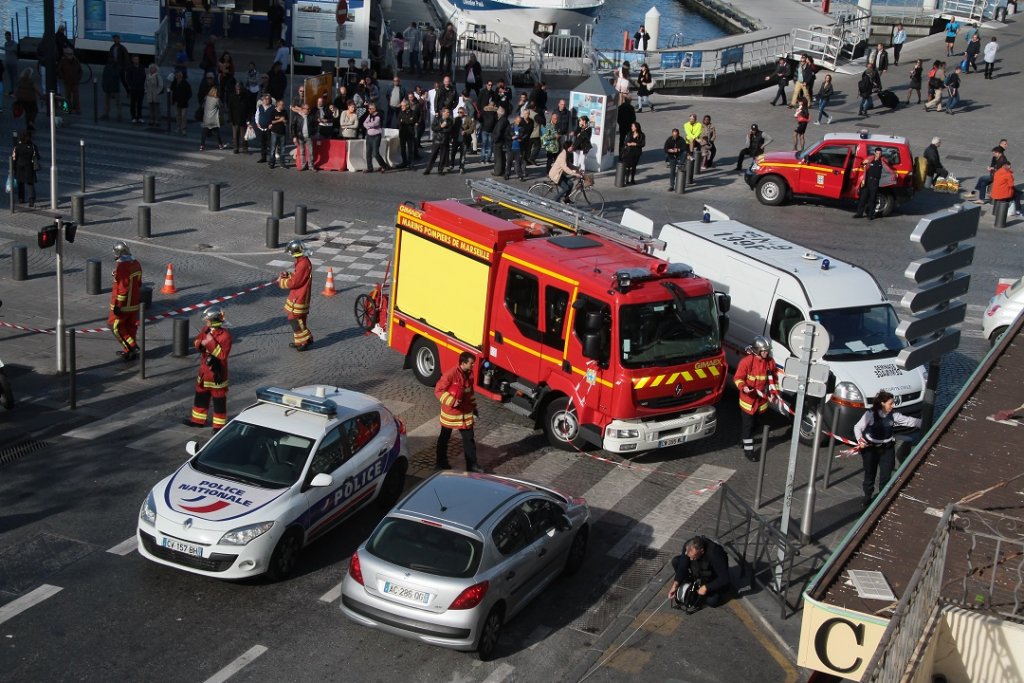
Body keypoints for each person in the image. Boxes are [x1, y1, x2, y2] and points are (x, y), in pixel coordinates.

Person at [854, 391, 922, 509]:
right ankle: (867, 497)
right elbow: (858, 427)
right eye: (890, 403)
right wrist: (860, 441)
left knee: (886, 475)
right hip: (871, 449)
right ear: (882, 403)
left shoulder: (894, 415)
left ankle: (882, 498)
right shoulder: (870, 414)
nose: (893, 406)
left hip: (887, 449)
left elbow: (910, 421)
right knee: (870, 474)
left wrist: (926, 423)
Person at [183, 307, 232, 432]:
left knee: (219, 400)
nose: (206, 323)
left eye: (208, 320)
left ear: (214, 320)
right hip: (204, 370)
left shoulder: (225, 335)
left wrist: (208, 341)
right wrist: (200, 343)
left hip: (217, 373)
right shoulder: (206, 329)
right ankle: (197, 421)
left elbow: (222, 355)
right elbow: (198, 341)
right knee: (200, 396)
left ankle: (218, 426)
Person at [435, 351, 482, 472]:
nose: (473, 366)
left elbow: (470, 393)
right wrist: (451, 401)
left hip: (464, 413)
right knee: (444, 438)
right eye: (471, 363)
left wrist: (474, 407)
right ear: (463, 363)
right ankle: (440, 463)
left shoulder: (470, 374)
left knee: (469, 438)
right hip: (451, 413)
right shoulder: (450, 374)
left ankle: (472, 465)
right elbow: (439, 390)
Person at [734, 336, 776, 462]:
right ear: (756, 350)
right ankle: (749, 451)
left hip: (761, 402)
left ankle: (743, 440)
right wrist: (744, 387)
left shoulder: (770, 362)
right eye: (763, 351)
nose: (766, 353)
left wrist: (774, 392)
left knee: (756, 425)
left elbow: (773, 380)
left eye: (767, 350)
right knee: (748, 426)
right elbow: (738, 378)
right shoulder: (746, 362)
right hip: (748, 401)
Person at [667, 536, 731, 611]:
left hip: (711, 578)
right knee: (676, 561)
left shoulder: (715, 554)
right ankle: (689, 583)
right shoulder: (688, 546)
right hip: (698, 571)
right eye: (689, 556)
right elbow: (682, 566)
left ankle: (703, 591)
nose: (691, 559)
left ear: (702, 551)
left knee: (712, 601)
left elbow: (725, 578)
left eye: (693, 557)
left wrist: (706, 587)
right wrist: (675, 585)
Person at [108, 241, 142, 361]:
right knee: (130, 326)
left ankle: (132, 347)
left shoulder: (122, 266)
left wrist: (118, 305)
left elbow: (122, 289)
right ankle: (128, 351)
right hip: (134, 303)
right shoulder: (136, 263)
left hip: (123, 305)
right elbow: (138, 282)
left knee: (115, 326)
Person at [278, 240, 313, 351]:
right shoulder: (302, 261)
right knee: (300, 318)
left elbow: (295, 282)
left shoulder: (302, 264)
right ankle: (300, 341)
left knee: (294, 318)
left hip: (299, 296)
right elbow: (298, 277)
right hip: (300, 295)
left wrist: (282, 281)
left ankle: (305, 340)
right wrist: (288, 274)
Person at [853, 147, 889, 220]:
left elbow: (887, 163)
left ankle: (870, 215)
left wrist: (882, 159)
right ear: (875, 153)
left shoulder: (882, 162)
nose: (878, 155)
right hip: (867, 181)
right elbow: (862, 165)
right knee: (863, 198)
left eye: (880, 153)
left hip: (875, 182)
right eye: (877, 153)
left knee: (872, 199)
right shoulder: (870, 160)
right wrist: (864, 162)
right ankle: (859, 213)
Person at [11, 131, 40, 208]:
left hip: (19, 167)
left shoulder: (17, 147)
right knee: (30, 184)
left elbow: (14, 158)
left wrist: (13, 168)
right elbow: (37, 157)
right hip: (29, 167)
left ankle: (21, 198)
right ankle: (31, 200)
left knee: (20, 183)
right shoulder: (33, 147)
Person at [424, 106, 454, 175]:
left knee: (443, 157)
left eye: (449, 112)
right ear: (443, 112)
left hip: (445, 140)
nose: (448, 113)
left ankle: (440, 170)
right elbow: (433, 128)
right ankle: (428, 170)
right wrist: (441, 126)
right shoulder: (437, 119)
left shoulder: (450, 121)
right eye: (447, 112)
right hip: (437, 140)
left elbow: (449, 130)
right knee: (433, 156)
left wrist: (442, 129)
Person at [57, 48, 83, 115]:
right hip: (67, 81)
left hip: (75, 81)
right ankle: (67, 109)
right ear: (65, 54)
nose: (71, 55)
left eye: (71, 54)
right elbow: (59, 70)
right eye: (69, 54)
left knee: (76, 96)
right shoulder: (63, 61)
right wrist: (63, 77)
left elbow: (80, 70)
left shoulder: (76, 60)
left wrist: (78, 77)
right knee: (67, 96)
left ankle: (77, 109)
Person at [291, 103, 315, 170]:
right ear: (302, 109)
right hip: (300, 137)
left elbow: (315, 126)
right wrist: (294, 136)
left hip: (309, 137)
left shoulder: (311, 116)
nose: (308, 110)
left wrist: (313, 133)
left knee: (311, 152)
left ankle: (311, 166)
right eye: (306, 109)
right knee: (302, 152)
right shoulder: (297, 116)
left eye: (308, 109)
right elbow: (293, 127)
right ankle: (303, 165)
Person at [199, 85, 224, 150]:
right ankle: (220, 145)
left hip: (206, 118)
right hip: (213, 119)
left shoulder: (206, 98)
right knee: (217, 133)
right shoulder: (217, 100)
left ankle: (202, 146)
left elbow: (202, 106)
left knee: (204, 133)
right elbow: (221, 106)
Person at [124, 54, 146, 124]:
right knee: (133, 103)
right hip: (133, 88)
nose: (136, 60)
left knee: (140, 103)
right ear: (132, 60)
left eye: (137, 59)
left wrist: (144, 86)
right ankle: (133, 116)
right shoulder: (130, 68)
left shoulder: (142, 67)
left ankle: (139, 116)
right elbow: (127, 78)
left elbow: (144, 77)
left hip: (141, 88)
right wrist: (130, 86)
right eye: (135, 59)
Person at [621, 121, 645, 185]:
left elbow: (643, 144)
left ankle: (632, 179)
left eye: (633, 126)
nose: (632, 127)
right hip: (629, 152)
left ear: (636, 127)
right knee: (628, 166)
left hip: (636, 152)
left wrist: (635, 144)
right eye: (632, 126)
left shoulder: (641, 135)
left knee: (634, 166)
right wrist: (628, 143)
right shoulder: (629, 133)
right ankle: (626, 179)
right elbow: (625, 141)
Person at [170, 70, 192, 136]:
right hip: (177, 102)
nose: (177, 76)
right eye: (176, 75)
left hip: (183, 102)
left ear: (181, 76)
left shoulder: (185, 83)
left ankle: (183, 128)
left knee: (183, 116)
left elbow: (189, 93)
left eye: (179, 75)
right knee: (177, 115)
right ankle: (179, 127)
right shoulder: (174, 82)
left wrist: (186, 99)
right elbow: (172, 90)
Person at [505, 115, 526, 181]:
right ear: (514, 120)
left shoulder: (522, 128)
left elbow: (525, 136)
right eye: (517, 122)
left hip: (518, 148)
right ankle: (507, 174)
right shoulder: (510, 127)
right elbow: (505, 135)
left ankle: (520, 175)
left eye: (519, 122)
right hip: (511, 147)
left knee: (518, 163)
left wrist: (521, 139)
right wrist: (511, 138)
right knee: (509, 162)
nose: (518, 123)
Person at [268, 99, 287, 168]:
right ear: (278, 105)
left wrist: (284, 121)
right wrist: (279, 120)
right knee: (273, 148)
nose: (283, 106)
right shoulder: (273, 112)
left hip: (283, 133)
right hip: (274, 132)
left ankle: (282, 163)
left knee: (283, 149)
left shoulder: (285, 112)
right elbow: (271, 122)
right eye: (281, 105)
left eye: (283, 105)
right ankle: (272, 162)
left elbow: (286, 121)